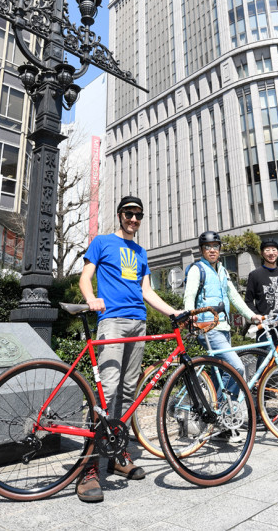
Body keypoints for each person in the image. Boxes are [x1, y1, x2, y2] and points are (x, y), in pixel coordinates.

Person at [77, 195, 184, 503]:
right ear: (120, 214)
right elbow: (86, 277)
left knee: (126, 393)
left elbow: (146, 290)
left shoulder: (140, 251)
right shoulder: (102, 242)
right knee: (106, 392)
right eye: (128, 213)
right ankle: (88, 469)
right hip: (111, 321)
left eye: (138, 214)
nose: (134, 219)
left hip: (138, 323)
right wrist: (91, 299)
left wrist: (173, 312)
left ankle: (116, 455)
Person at [184, 230, 262, 440]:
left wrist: (252, 316)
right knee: (236, 368)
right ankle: (216, 417)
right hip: (208, 328)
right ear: (202, 250)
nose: (212, 250)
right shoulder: (196, 269)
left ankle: (223, 422)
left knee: (220, 376)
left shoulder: (222, 271)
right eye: (208, 247)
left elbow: (234, 297)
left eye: (216, 247)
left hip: (224, 329)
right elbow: (189, 295)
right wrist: (190, 315)